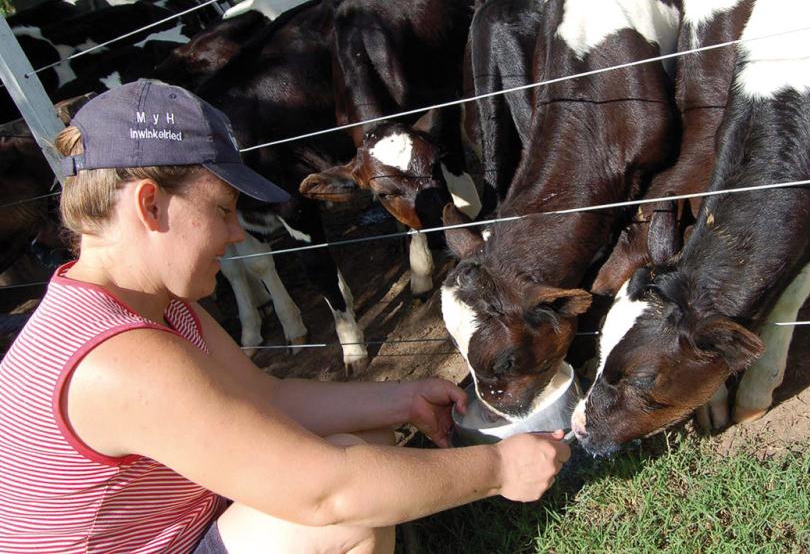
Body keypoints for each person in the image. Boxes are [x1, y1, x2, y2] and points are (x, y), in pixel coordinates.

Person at [0, 79, 571, 554]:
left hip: (177, 530)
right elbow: (324, 496)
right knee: (338, 514)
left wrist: (404, 399)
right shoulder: (116, 360)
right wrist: (499, 468)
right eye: (223, 210)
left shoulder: (148, 306)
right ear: (151, 205)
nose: (235, 232)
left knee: (366, 439)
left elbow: (265, 399)